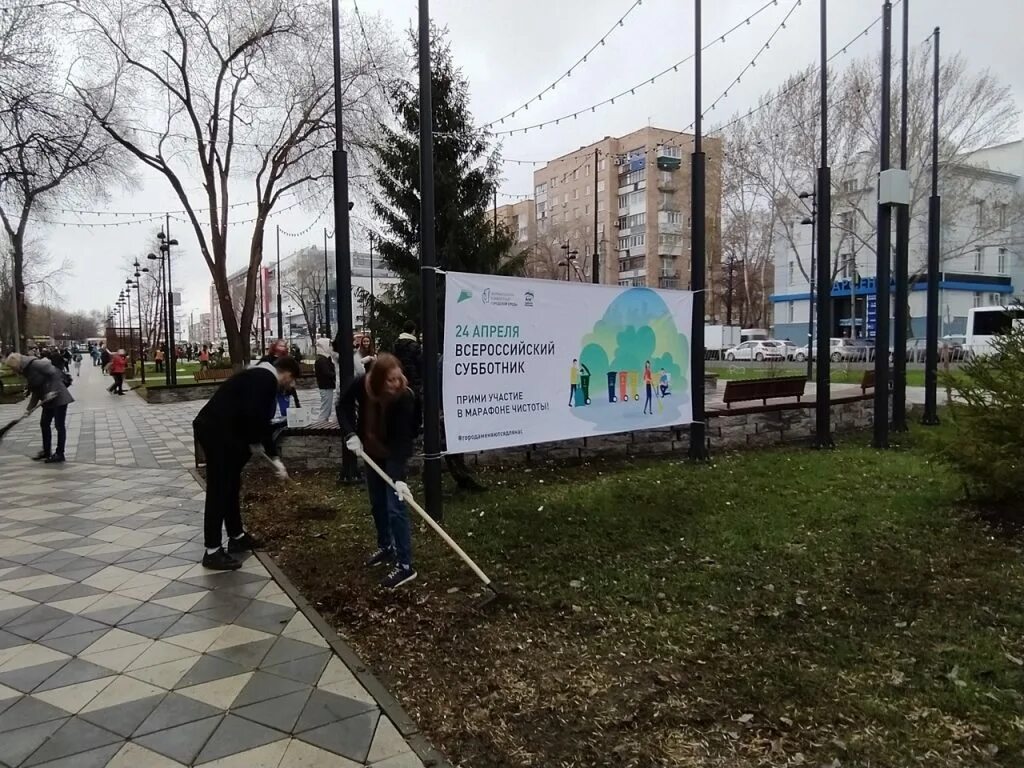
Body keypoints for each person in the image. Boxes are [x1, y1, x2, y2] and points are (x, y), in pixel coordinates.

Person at [193, 355, 300, 570]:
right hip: (218, 433)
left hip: (226, 433)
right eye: (293, 379)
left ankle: (237, 536)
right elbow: (256, 417)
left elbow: (256, 417)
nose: (292, 385)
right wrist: (271, 454)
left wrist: (264, 448)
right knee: (219, 489)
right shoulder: (266, 379)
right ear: (286, 373)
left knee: (232, 485)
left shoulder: (260, 376)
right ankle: (212, 551)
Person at [339, 352, 418, 590]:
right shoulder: (363, 384)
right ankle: (386, 546)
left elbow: (405, 438)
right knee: (377, 503)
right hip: (371, 451)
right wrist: (350, 433)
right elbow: (342, 406)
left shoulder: (405, 397)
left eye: (398, 377)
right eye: (390, 380)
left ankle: (405, 566)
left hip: (394, 452)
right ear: (377, 380)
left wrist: (398, 478)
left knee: (395, 507)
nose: (396, 383)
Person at [4, 353, 74, 464]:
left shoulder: (35, 364)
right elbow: (35, 391)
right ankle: (46, 452)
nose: (13, 369)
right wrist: (29, 409)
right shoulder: (26, 371)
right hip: (47, 399)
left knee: (59, 425)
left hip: (58, 396)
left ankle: (60, 454)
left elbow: (55, 373)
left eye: (12, 367)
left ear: (16, 363)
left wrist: (52, 390)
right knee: (44, 423)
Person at [393, 322, 422, 392]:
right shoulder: (414, 345)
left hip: (399, 374)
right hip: (413, 377)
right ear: (413, 331)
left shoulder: (396, 343)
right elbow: (419, 362)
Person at [314, 337, 336, 423]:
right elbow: (326, 373)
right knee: (325, 409)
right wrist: (336, 375)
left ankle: (323, 423)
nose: (331, 347)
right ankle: (321, 424)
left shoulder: (324, 359)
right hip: (325, 386)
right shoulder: (322, 360)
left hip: (326, 386)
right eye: (329, 345)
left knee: (327, 408)